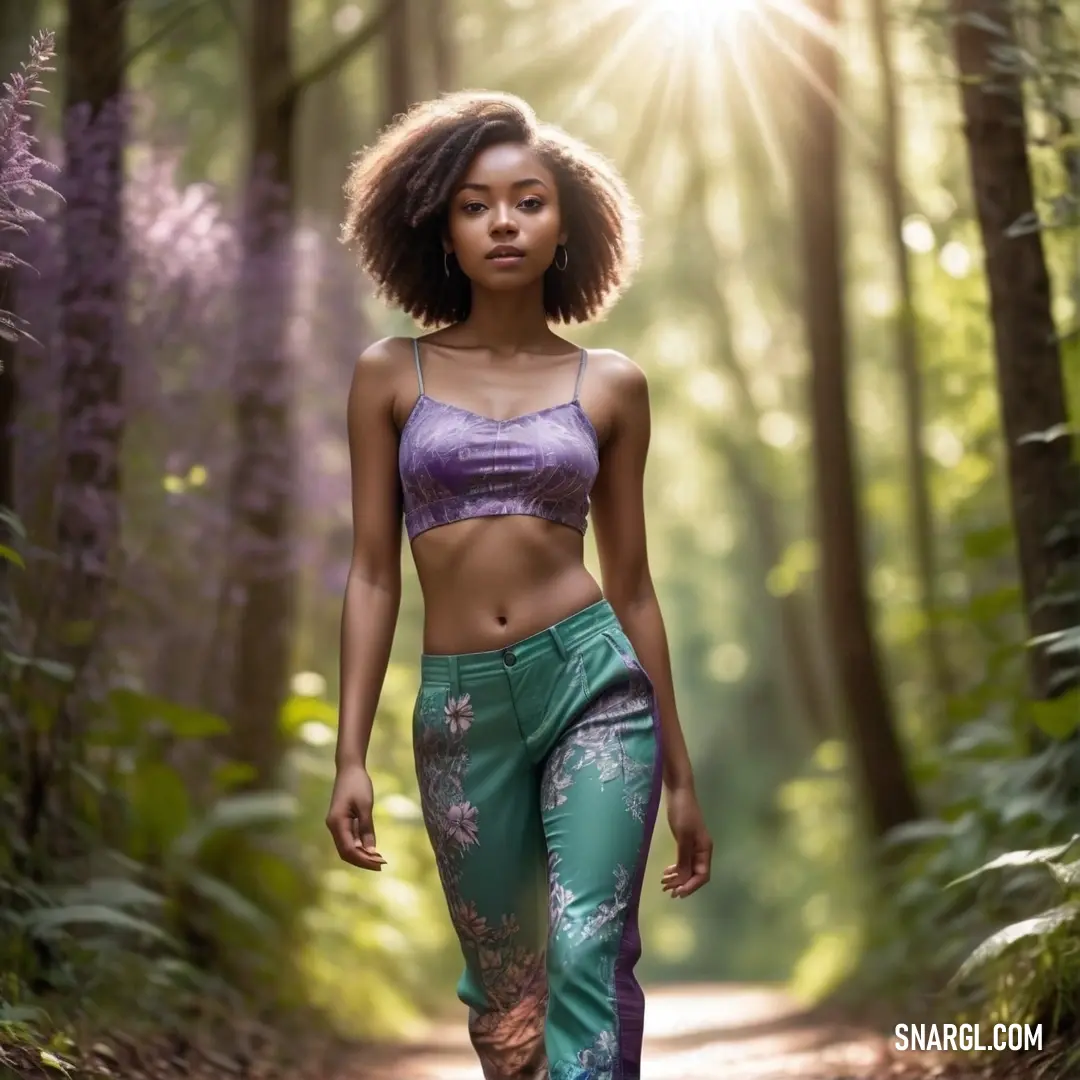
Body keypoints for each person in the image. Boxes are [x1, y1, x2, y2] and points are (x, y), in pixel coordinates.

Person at [326, 90, 713, 1080]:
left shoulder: (612, 385)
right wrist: (350, 754)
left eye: (528, 201)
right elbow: (373, 574)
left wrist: (678, 770)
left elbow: (632, 588)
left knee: (586, 948)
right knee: (508, 993)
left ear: (565, 225)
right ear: (440, 231)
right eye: (475, 203)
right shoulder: (389, 375)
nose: (503, 221)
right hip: (460, 710)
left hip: (594, 684)